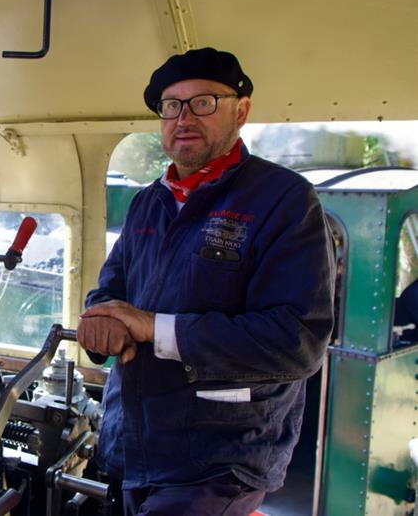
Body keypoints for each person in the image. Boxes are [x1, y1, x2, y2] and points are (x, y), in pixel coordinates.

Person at [77, 47, 335, 516]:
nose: (183, 118)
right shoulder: (148, 202)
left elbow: (297, 341)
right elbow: (110, 292)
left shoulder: (284, 201)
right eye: (171, 106)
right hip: (129, 442)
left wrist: (153, 327)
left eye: (203, 102)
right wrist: (102, 320)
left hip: (217, 459)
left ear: (241, 110)